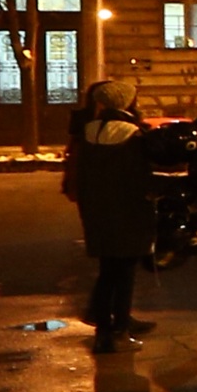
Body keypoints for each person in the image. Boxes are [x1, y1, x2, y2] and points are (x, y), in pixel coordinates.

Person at [64, 78, 157, 352]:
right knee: (125, 274)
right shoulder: (133, 134)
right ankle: (121, 330)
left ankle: (103, 332)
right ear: (126, 101)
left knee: (106, 273)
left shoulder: (90, 132)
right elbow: (141, 178)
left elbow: (82, 178)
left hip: (98, 214)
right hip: (128, 214)